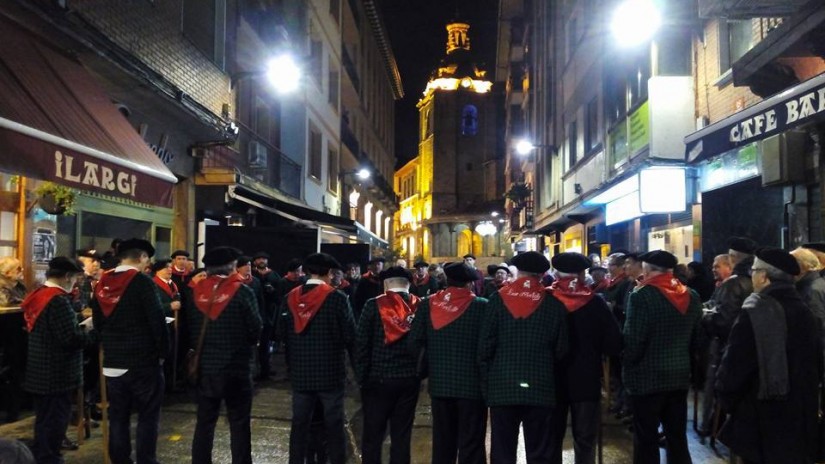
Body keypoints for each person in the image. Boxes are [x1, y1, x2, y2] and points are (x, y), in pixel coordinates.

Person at [715, 247, 821, 464]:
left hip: (760, 417)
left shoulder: (754, 311)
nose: (752, 275)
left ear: (763, 277)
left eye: (754, 270)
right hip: (799, 415)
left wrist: (726, 400)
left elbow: (734, 367)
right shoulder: (805, 311)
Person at [478, 251, 568, 463]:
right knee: (540, 450)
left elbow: (484, 347)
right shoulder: (554, 305)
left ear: (517, 271)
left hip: (502, 385)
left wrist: (487, 381)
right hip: (541, 386)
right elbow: (562, 349)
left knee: (502, 448)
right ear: (542, 274)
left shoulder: (497, 300)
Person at [91, 238, 169, 464]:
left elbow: (98, 322)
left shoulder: (102, 283)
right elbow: (157, 321)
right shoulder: (142, 283)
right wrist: (164, 352)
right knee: (147, 416)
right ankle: (146, 460)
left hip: (113, 362)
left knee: (118, 416)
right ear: (142, 257)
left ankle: (120, 460)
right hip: (143, 362)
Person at [622, 250, 701, 464]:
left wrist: (626, 365)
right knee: (676, 436)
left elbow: (634, 339)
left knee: (646, 437)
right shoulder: (691, 295)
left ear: (647, 269)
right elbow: (697, 337)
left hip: (647, 377)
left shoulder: (642, 295)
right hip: (679, 376)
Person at [278, 253, 356, 464]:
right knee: (334, 424)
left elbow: (280, 333)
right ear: (330, 273)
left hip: (300, 373)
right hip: (330, 373)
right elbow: (350, 336)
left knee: (300, 423)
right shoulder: (337, 298)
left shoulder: (290, 297)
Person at [408, 262, 488, 463]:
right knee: (471, 441)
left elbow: (414, 341)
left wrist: (429, 365)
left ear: (447, 280)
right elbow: (488, 345)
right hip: (473, 387)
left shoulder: (428, 304)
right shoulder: (482, 306)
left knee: (443, 440)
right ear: (469, 284)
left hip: (440, 384)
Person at [189, 247, 262, 464]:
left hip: (205, 368)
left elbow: (188, 329)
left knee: (204, 423)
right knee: (239, 423)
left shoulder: (194, 291)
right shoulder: (242, 292)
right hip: (236, 368)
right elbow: (255, 328)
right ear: (232, 267)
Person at [547, 253, 622, 464]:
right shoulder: (595, 303)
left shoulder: (546, 300)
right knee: (585, 439)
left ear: (556, 273)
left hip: (551, 380)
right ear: (582, 274)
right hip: (586, 380)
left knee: (552, 437)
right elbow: (613, 344)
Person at [22, 257, 97, 464]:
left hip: (40, 370)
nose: (75, 283)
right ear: (66, 277)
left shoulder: (38, 295)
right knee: (55, 423)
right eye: (74, 278)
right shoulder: (58, 300)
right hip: (57, 373)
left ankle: (42, 456)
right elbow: (70, 339)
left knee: (44, 421)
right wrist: (91, 333)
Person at [355, 266, 421, 464]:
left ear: (386, 284)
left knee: (373, 433)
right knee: (402, 433)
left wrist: (362, 377)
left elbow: (361, 344)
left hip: (378, 377)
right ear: (409, 283)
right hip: (410, 379)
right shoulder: (421, 306)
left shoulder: (372, 305)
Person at [699, 237, 755, 435]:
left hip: (726, 347)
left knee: (718, 388)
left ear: (732, 259)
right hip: (750, 348)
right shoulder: (754, 281)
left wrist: (704, 317)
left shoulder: (733, 284)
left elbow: (722, 321)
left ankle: (712, 427)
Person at [0, 256, 27, 423]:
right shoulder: (2, 288)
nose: (22, 272)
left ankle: (17, 406)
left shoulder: (20, 286)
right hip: (5, 334)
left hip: (18, 335)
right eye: (18, 269)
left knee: (17, 371)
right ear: (8, 273)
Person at [352, 257, 385, 321]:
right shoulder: (364, 280)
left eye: (378, 264)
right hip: (368, 311)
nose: (376, 266)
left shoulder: (386, 279)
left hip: (384, 311)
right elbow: (358, 298)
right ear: (370, 267)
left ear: (382, 266)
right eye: (374, 264)